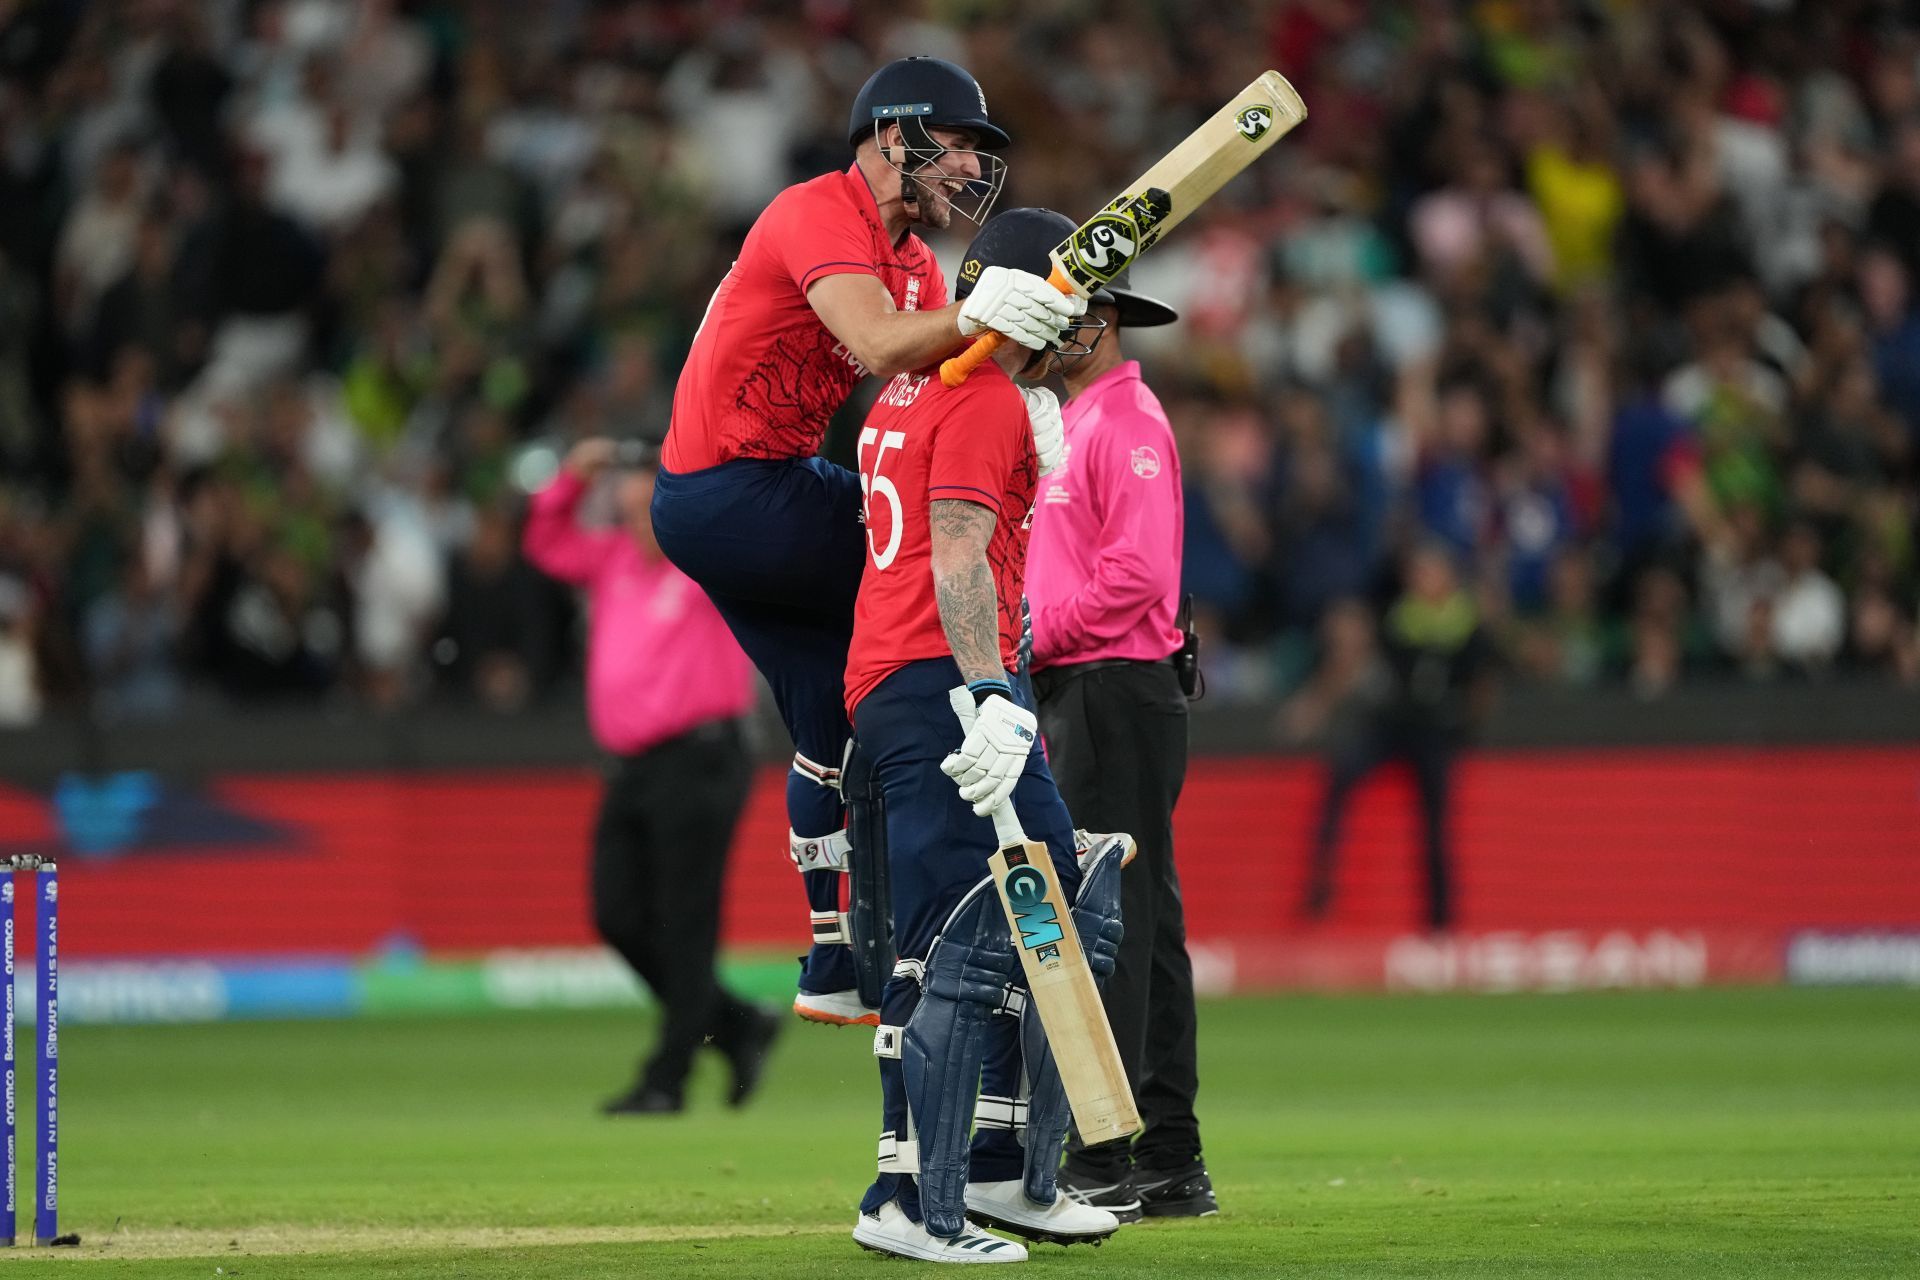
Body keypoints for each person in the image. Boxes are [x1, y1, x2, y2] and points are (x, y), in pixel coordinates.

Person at [651, 56, 1082, 1027]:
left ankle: (832, 957)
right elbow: (886, 347)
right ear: (895, 135)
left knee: (826, 722)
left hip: (742, 497)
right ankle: (974, 729)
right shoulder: (816, 210)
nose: (970, 167)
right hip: (732, 488)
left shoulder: (916, 266)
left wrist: (1016, 397)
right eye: (959, 142)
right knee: (910, 559)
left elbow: (923, 391)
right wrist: (980, 321)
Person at [839, 209, 1123, 1262]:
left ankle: (1000, 1168)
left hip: (910, 674)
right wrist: (990, 688)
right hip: (937, 682)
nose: (1082, 327)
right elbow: (956, 553)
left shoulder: (917, 383)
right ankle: (903, 1194)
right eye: (1071, 304)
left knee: (1051, 901)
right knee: (947, 941)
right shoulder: (986, 397)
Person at [1025, 275, 1217, 1219]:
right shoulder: (1083, 422)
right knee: (1146, 919)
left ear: (1095, 325)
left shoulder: (1124, 421)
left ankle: (1105, 1155)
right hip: (1102, 687)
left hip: (1108, 685)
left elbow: (1140, 574)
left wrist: (1035, 634)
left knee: (1113, 923)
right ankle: (1170, 1156)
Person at [523, 435, 777, 1114]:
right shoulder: (612, 563)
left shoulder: (704, 568)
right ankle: (736, 1023)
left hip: (701, 756)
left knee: (685, 920)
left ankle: (668, 1077)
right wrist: (569, 480)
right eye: (629, 512)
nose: (641, 525)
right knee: (618, 913)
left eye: (652, 510)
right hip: (634, 764)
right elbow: (546, 544)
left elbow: (747, 524)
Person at [1298, 545, 1496, 931]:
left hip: (1435, 733)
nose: (1418, 581)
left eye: (1427, 572)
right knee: (1342, 773)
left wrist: (1464, 728)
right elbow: (1367, 664)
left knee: (1436, 826)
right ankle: (1322, 879)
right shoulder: (1399, 619)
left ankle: (1440, 922)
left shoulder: (1468, 624)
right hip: (1394, 724)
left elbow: (1481, 686)